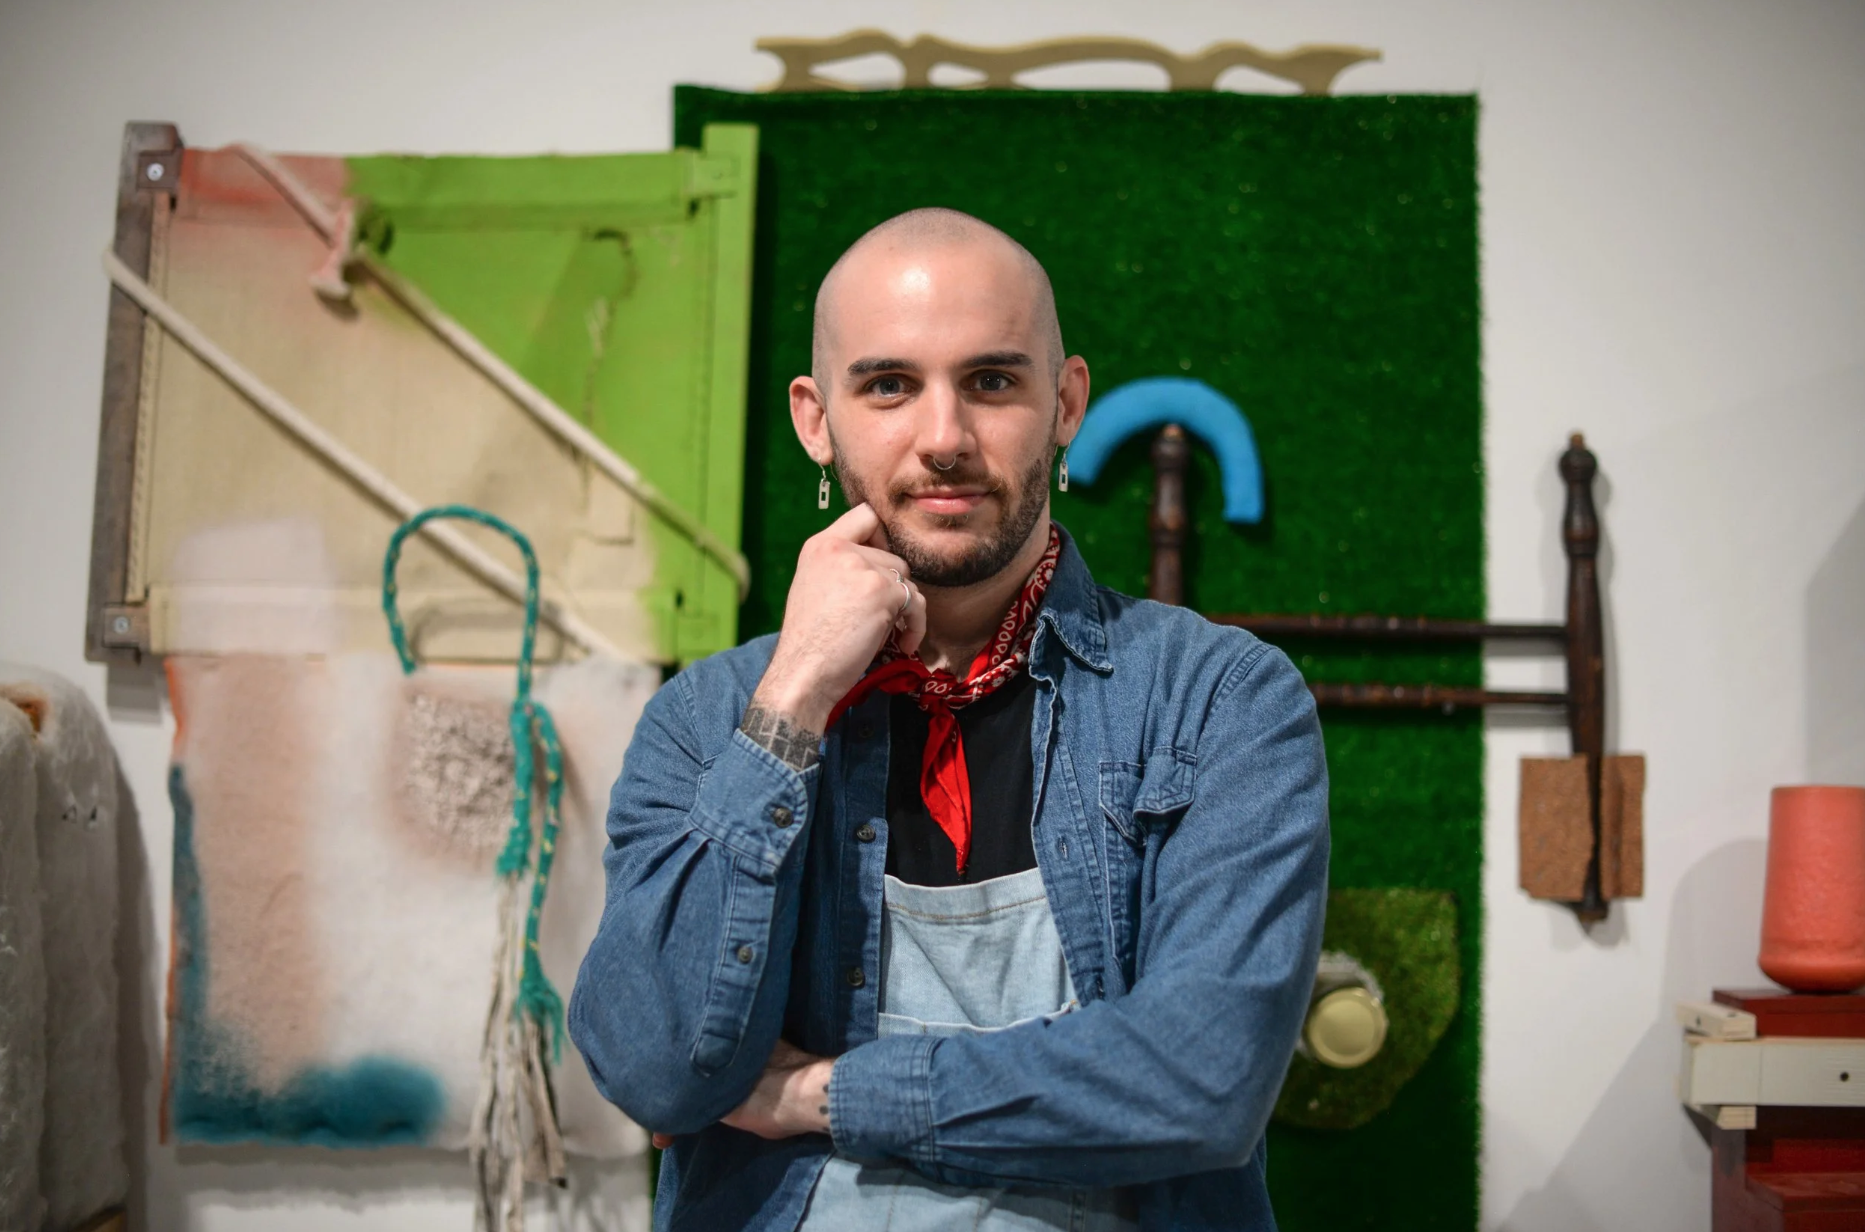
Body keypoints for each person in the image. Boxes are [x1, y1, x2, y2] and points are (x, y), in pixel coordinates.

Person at [569, 207, 1329, 1231]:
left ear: (1064, 404)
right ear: (814, 418)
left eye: (991, 381)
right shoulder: (708, 719)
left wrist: (822, 1095)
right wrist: (790, 698)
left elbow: (1200, 1079)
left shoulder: (1219, 697)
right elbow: (654, 1068)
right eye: (888, 384)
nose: (943, 439)